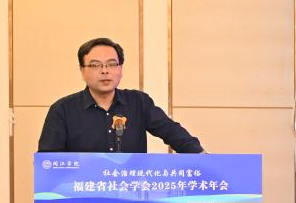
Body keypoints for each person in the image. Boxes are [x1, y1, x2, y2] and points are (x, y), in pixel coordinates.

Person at [37, 37, 204, 153]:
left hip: (130, 190)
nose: (105, 71)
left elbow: (171, 131)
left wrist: (201, 156)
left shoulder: (139, 102)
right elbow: (48, 160)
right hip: (82, 191)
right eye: (95, 65)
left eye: (112, 64)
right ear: (82, 71)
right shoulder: (63, 110)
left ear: (120, 69)